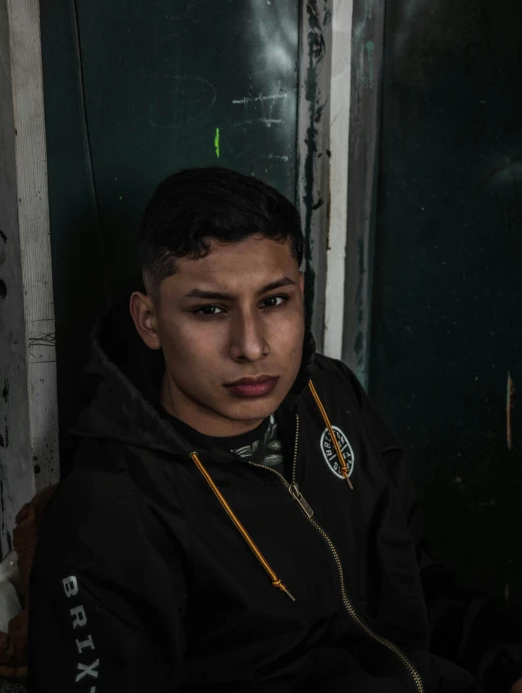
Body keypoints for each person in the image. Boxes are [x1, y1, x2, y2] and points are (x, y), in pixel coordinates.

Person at [27, 167, 522, 692]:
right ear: (149, 321)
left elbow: (414, 580)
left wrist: (505, 665)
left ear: (301, 294)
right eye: (210, 310)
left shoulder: (327, 396)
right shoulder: (115, 509)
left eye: (273, 301)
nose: (252, 346)